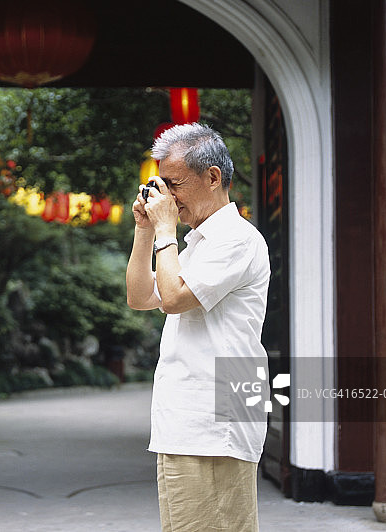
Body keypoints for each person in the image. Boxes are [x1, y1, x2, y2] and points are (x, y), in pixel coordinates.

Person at [126, 123, 270, 532]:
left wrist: (165, 230)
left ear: (212, 177)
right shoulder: (197, 243)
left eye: (175, 185)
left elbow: (172, 299)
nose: (168, 198)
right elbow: (140, 297)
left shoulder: (236, 238)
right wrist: (145, 230)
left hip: (214, 415)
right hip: (194, 415)